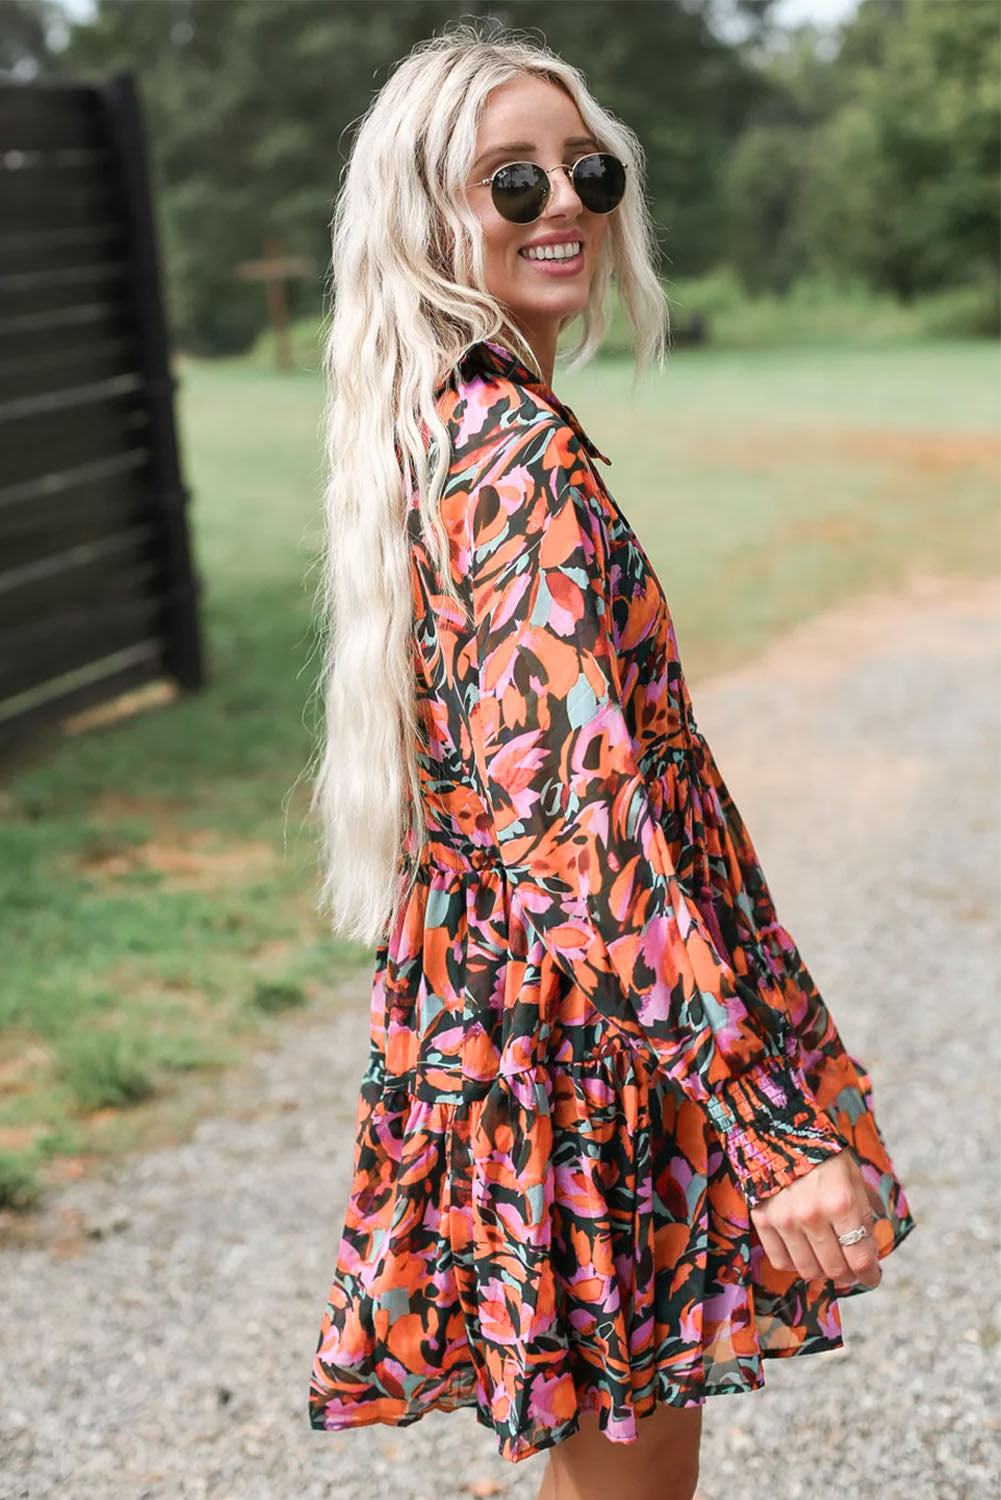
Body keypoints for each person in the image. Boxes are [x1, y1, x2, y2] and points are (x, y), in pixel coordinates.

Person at [306, 21, 916, 1500]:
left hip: (549, 1036)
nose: (562, 204)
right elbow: (576, 845)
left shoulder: (454, 428)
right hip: (588, 1053)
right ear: (424, 216)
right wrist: (772, 1138)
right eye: (506, 183)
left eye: (583, 169)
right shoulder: (510, 458)